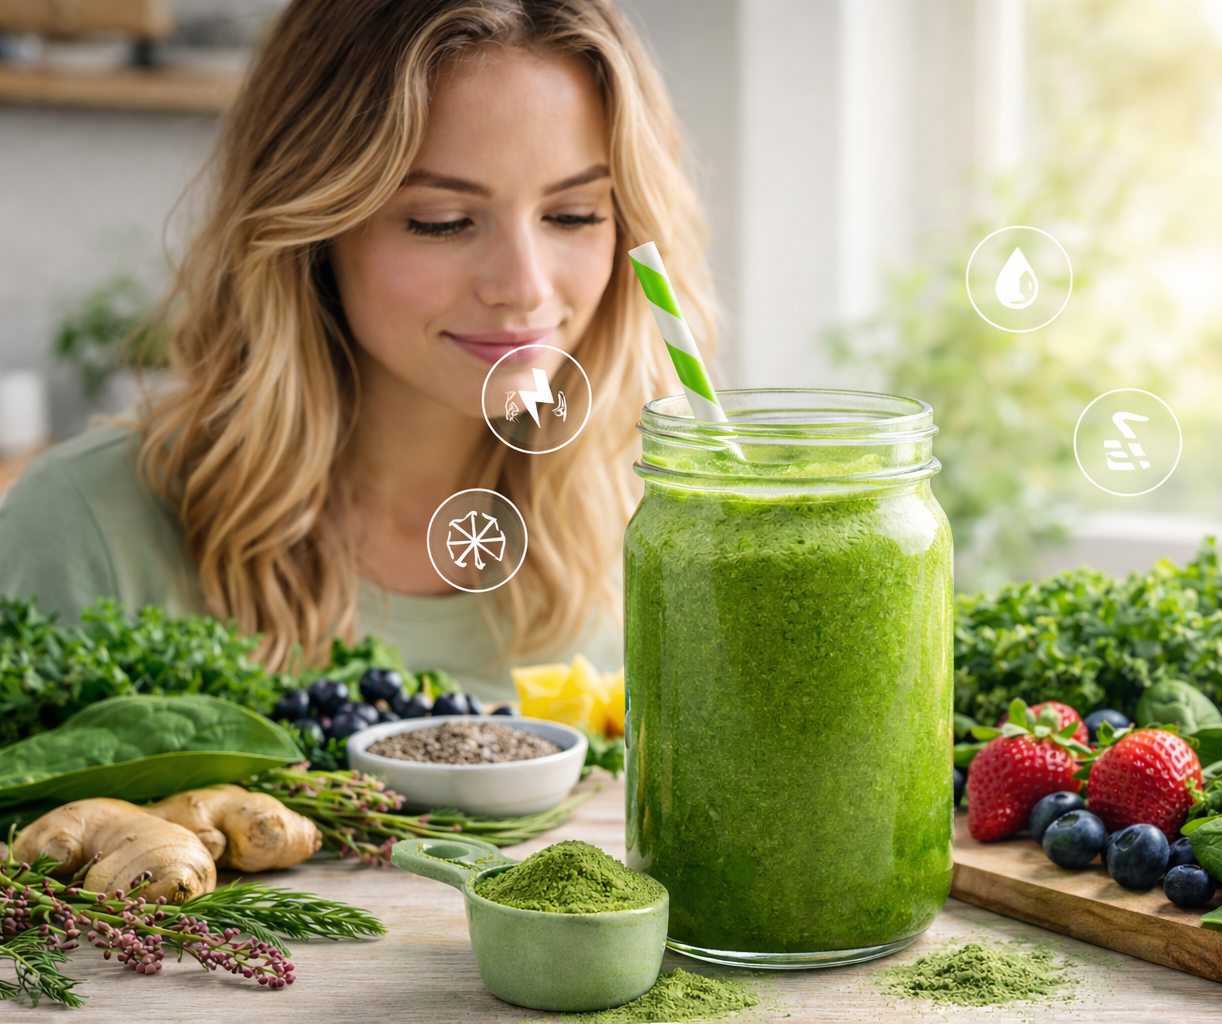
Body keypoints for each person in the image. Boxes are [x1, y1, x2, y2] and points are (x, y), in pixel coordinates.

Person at [0, 0, 715, 698]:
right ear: (314, 229)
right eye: (441, 221)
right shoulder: (87, 530)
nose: (524, 288)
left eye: (573, 214)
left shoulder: (663, 529)